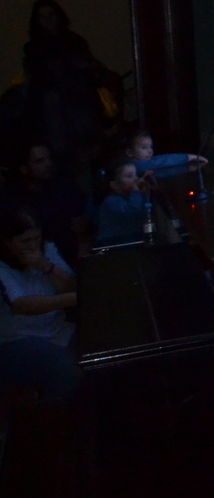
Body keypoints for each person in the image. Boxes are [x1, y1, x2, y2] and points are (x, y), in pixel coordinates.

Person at [21, 0, 112, 170]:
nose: (48, 21)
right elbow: (39, 79)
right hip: (52, 111)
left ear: (59, 16)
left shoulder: (75, 42)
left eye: (51, 15)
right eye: (42, 17)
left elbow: (92, 73)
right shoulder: (33, 47)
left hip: (80, 104)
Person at [0, 207, 80, 403]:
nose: (32, 245)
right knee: (65, 368)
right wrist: (70, 299)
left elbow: (72, 285)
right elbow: (20, 305)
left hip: (57, 328)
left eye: (36, 238)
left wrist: (46, 266)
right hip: (18, 337)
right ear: (8, 242)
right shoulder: (2, 266)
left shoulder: (47, 249)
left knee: (97, 350)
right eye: (25, 241)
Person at [1, 142, 91, 265]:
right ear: (24, 168)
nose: (48, 164)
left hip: (73, 254)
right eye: (39, 161)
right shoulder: (13, 199)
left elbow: (80, 224)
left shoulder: (65, 187)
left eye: (49, 159)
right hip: (33, 261)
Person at [94, 157, 148, 247]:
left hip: (131, 243)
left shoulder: (133, 196)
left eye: (136, 174)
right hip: (113, 246)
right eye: (129, 176)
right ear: (115, 185)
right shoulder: (110, 202)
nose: (136, 179)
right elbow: (133, 211)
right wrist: (135, 191)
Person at [125, 130, 206, 177]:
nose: (150, 151)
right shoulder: (136, 166)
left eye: (151, 147)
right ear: (129, 152)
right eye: (144, 147)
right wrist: (188, 157)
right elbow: (162, 161)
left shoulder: (143, 162)